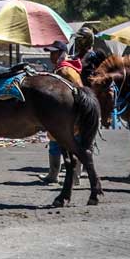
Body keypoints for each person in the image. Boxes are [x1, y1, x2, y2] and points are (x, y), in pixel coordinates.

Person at [41, 39, 84, 183]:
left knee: (72, 142)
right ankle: (53, 174)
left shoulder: (65, 71)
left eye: (53, 53)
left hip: (70, 114)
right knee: (55, 141)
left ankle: (75, 177)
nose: (50, 56)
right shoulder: (61, 69)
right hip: (61, 114)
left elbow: (78, 91)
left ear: (61, 53)